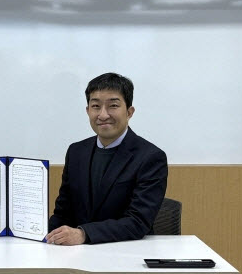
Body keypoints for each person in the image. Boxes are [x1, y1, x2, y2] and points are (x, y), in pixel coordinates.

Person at [46, 72, 167, 246]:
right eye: (96, 106)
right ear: (88, 111)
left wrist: (84, 234)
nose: (103, 115)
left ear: (129, 112)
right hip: (76, 254)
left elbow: (138, 222)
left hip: (126, 252)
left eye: (113, 106)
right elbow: (63, 213)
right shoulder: (76, 152)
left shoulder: (150, 157)